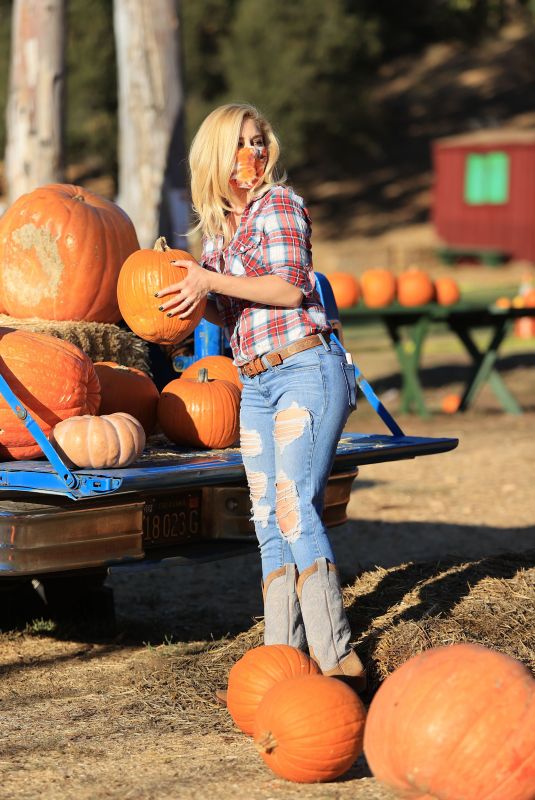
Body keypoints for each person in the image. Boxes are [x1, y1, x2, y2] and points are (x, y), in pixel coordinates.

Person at [155, 103, 366, 691]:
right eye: (242, 145)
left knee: (297, 507)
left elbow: (290, 290)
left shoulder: (281, 205)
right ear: (217, 160)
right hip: (254, 385)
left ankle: (338, 661)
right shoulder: (220, 236)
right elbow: (223, 309)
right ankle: (284, 661)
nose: (256, 154)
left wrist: (211, 281)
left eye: (260, 142)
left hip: (305, 369)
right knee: (269, 520)